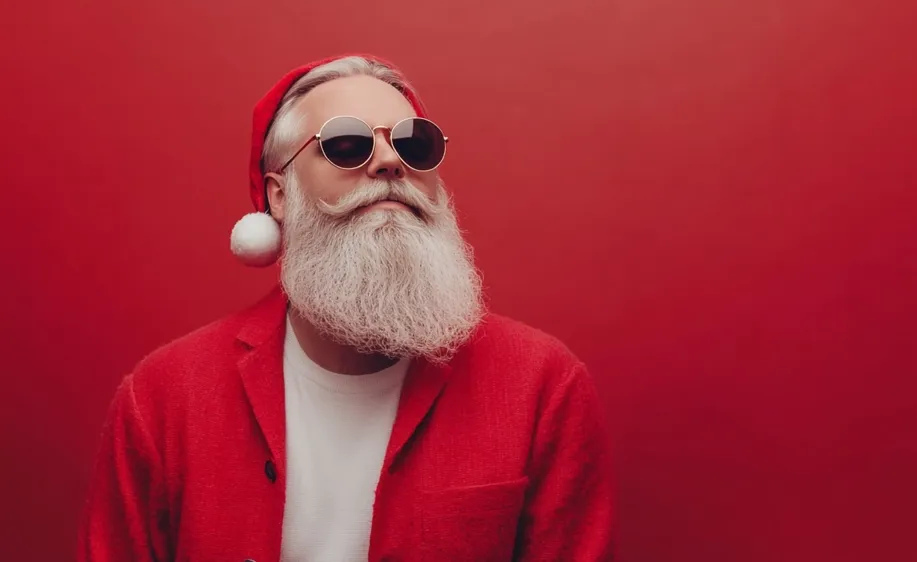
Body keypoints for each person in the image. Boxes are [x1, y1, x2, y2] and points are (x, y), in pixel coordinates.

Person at [76, 55, 617, 561]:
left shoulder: (542, 386)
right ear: (279, 195)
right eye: (346, 144)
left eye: (415, 145)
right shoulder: (164, 398)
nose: (388, 161)